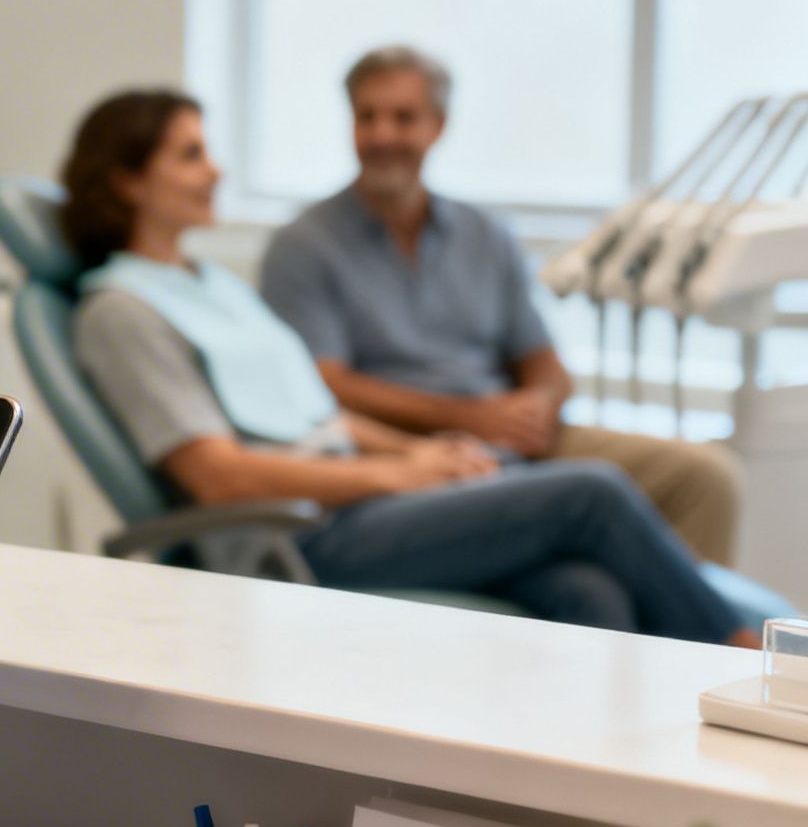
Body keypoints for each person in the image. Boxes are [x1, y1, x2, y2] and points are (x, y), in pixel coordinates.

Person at [62, 89, 756, 646]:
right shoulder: (121, 312)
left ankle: (613, 788)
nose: (215, 170)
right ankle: (742, 664)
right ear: (128, 181)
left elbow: (315, 412)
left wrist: (424, 451)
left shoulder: (209, 286)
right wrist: (396, 473)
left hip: (356, 497)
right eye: (190, 156)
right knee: (592, 492)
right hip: (303, 532)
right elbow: (218, 476)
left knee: (584, 589)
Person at [259, 45, 744, 566]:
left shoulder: (486, 235)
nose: (382, 136)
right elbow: (320, 385)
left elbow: (542, 360)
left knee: (706, 477)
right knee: (592, 505)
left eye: (403, 118)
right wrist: (469, 417)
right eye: (367, 117)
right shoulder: (304, 246)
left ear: (438, 126)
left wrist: (537, 407)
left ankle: (692, 638)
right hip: (404, 445)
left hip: (513, 437)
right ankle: (727, 638)